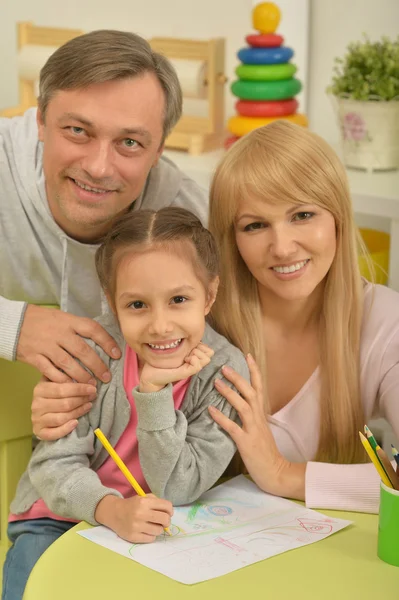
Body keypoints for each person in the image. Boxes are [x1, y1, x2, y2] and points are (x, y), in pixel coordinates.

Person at [2, 207, 248, 600]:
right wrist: (112, 511)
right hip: (58, 518)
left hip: (160, 531)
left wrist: (153, 394)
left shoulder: (223, 370)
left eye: (179, 299)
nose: (160, 325)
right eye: (137, 305)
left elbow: (179, 487)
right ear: (111, 301)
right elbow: (53, 466)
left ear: (210, 294)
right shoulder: (91, 355)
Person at [0, 29, 208, 398]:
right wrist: (11, 326)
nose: (98, 168)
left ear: (159, 149)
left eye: (129, 143)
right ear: (40, 123)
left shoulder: (192, 220)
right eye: (78, 130)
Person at [206, 120, 399, 514]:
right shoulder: (201, 319)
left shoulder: (385, 321)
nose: (282, 247)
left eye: (302, 215)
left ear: (338, 217)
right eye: (255, 225)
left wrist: (281, 473)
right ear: (233, 239)